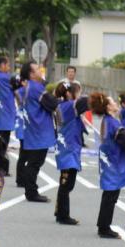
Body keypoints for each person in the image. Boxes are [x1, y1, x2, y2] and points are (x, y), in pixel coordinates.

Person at [90, 92, 125, 239]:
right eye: (113, 102)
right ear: (108, 107)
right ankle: (104, 228)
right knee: (110, 196)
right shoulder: (112, 122)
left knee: (109, 196)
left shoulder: (107, 120)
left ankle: (103, 225)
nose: (116, 103)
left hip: (108, 160)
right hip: (114, 161)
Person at [17, 62, 54, 203]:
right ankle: (31, 192)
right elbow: (51, 103)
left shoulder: (31, 86)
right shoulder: (36, 88)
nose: (40, 70)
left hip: (34, 129)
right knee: (34, 162)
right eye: (37, 69)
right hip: (39, 130)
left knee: (34, 162)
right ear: (31, 74)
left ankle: (31, 190)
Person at [53, 82, 85, 226]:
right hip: (68, 148)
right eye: (76, 92)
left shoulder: (63, 106)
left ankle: (59, 210)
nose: (78, 95)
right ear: (68, 94)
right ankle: (63, 215)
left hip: (67, 147)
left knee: (65, 182)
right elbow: (84, 103)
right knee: (66, 183)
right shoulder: (68, 106)